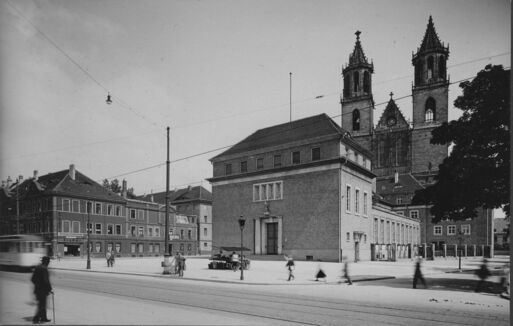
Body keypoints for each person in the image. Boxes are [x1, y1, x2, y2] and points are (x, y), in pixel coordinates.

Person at [31, 256, 53, 324]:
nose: (49, 263)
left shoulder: (38, 267)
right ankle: (36, 318)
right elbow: (46, 281)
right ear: (46, 262)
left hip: (37, 290)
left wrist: (37, 285)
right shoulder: (44, 269)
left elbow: (32, 279)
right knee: (42, 305)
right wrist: (50, 289)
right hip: (43, 290)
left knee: (41, 304)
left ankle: (43, 318)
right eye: (48, 262)